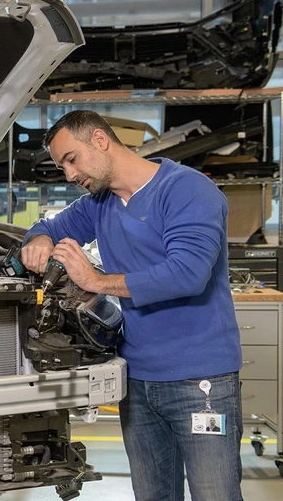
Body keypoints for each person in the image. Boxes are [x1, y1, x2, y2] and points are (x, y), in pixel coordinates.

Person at [19, 110, 242, 500]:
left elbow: (187, 274)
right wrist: (37, 238)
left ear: (100, 141)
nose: (69, 175)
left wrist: (94, 281)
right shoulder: (99, 202)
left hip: (201, 381)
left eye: (71, 159)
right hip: (136, 380)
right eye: (61, 166)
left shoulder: (186, 190)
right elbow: (49, 227)